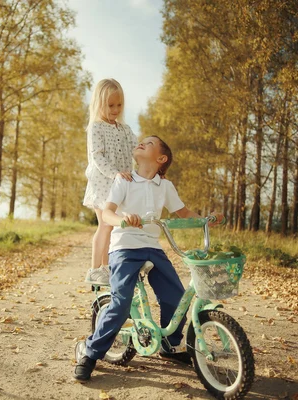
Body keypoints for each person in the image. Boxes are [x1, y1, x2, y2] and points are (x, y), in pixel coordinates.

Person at [74, 136, 202, 382]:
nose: (142, 142)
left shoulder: (165, 186)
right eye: (141, 140)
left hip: (152, 247)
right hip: (124, 248)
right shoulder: (124, 180)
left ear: (161, 159)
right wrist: (122, 219)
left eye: (150, 142)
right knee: (121, 304)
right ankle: (90, 353)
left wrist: (206, 220)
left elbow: (183, 212)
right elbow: (108, 213)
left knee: (177, 298)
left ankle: (169, 344)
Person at [83, 79, 138, 285]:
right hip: (103, 183)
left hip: (120, 186)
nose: (115, 109)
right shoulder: (96, 128)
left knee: (114, 228)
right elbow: (97, 156)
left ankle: (107, 269)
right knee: (105, 225)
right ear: (99, 104)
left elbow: (137, 149)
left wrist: (155, 167)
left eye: (119, 105)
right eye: (110, 105)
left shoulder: (125, 129)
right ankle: (95, 269)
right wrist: (114, 173)